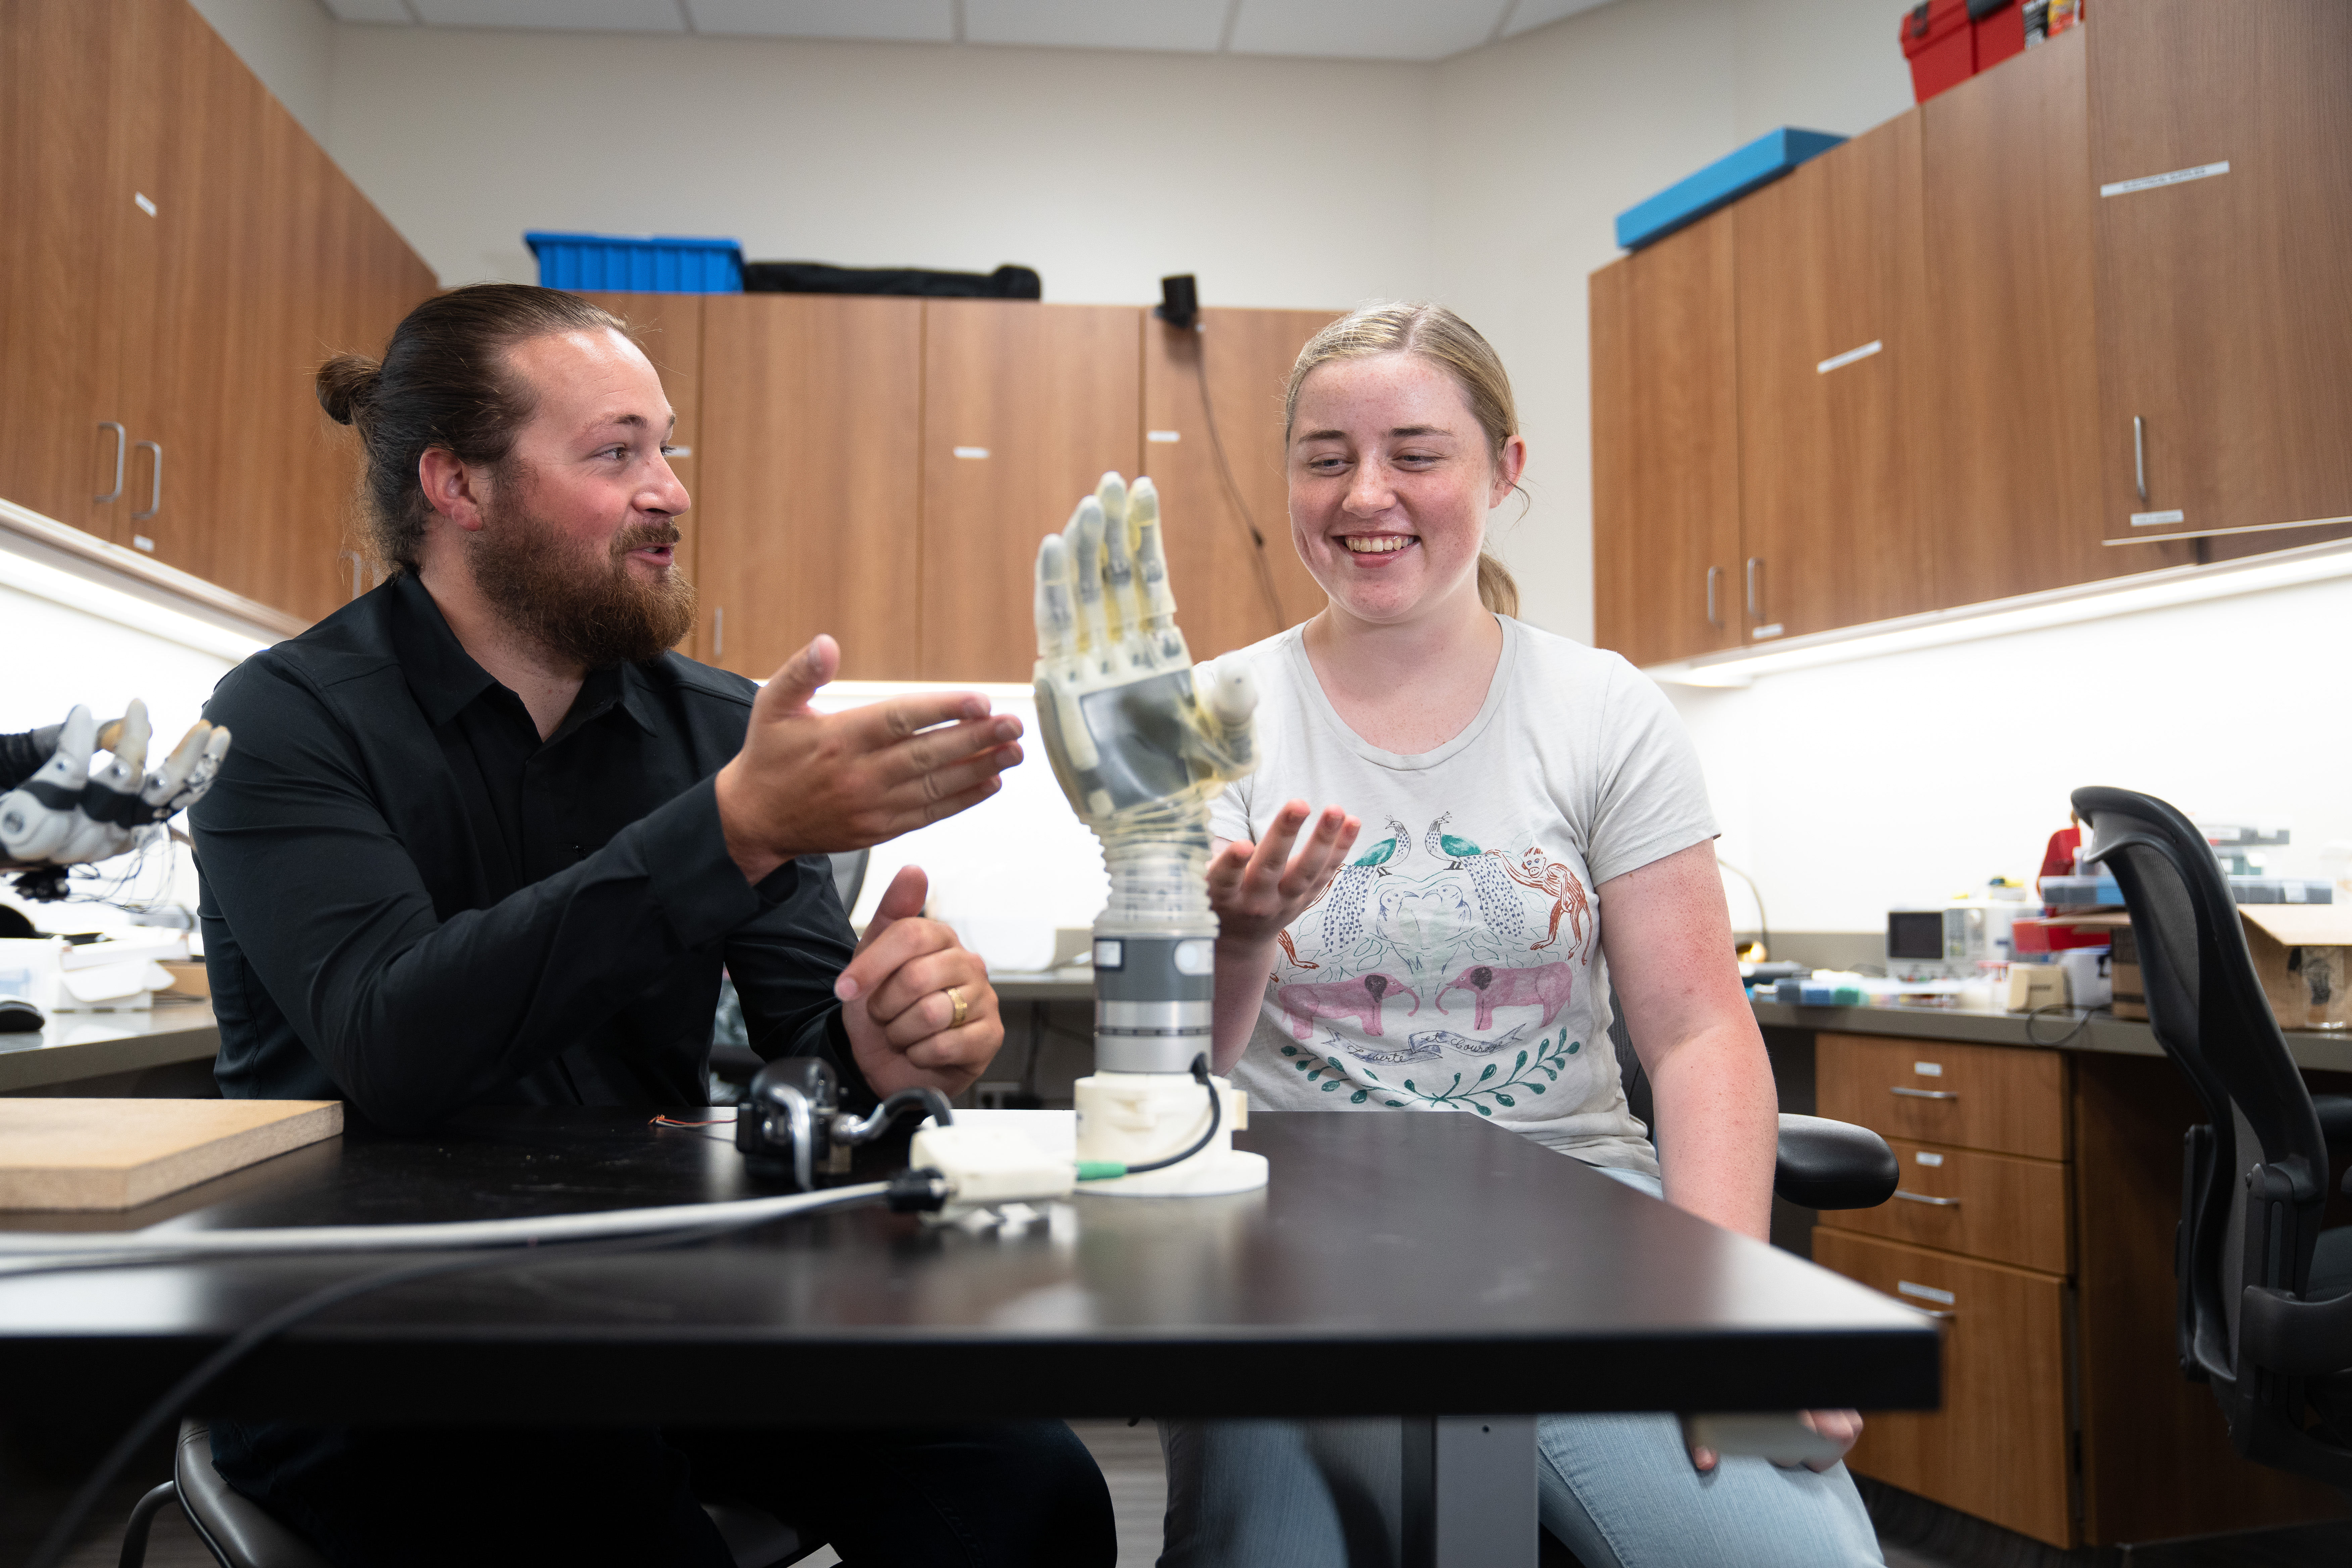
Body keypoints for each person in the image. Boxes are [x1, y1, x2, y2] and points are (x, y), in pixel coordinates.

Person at [189, 284, 1113, 1567]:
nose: (670, 488)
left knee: (1026, 1485)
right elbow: (391, 1039)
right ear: (458, 486)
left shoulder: (713, 731)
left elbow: (813, 1058)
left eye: (667, 447)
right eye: (617, 453)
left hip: (658, 1307)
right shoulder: (285, 721)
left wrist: (890, 1049)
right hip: (368, 1335)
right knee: (612, 1525)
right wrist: (727, 830)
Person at [1157, 303, 1881, 1567]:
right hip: (1293, 1237)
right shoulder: (1209, 719)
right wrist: (1239, 944)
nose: (1366, 493)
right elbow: (1169, 1092)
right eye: (1326, 456)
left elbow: (1702, 1029)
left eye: (1418, 453)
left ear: (1505, 469)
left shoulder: (1601, 709)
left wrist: (1726, 1305)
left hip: (1575, 1223)